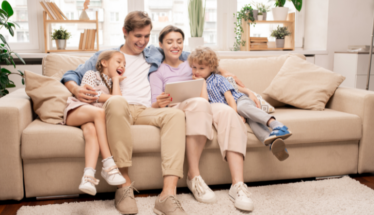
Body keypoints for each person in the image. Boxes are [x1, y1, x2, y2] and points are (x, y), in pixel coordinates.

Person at [61, 12, 190, 215]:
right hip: (118, 108)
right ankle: (124, 187)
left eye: (147, 36)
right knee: (117, 101)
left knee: (176, 115)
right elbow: (71, 74)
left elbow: (189, 56)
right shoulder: (107, 55)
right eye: (138, 36)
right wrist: (75, 89)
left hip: (145, 109)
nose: (143, 41)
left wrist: (222, 71)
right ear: (125, 32)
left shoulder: (154, 53)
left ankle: (168, 194)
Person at [149, 25, 259, 212]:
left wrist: (243, 88)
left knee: (227, 112)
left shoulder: (190, 61)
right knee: (199, 104)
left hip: (204, 102)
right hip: (178, 106)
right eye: (169, 42)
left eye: (179, 41)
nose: (175, 45)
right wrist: (160, 101)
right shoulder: (157, 72)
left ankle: (238, 185)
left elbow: (213, 67)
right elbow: (153, 105)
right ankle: (194, 176)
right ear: (161, 44)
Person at [189, 47, 292, 162]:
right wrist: (201, 83)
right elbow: (204, 102)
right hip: (230, 109)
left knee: (242, 107)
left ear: (211, 68)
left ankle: (276, 125)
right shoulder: (196, 83)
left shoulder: (218, 79)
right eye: (194, 67)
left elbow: (229, 98)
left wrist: (235, 114)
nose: (197, 71)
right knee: (253, 122)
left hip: (239, 101)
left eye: (201, 68)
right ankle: (273, 143)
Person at [64, 50, 127, 196]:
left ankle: (88, 178)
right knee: (100, 112)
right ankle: (109, 165)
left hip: (92, 118)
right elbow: (91, 96)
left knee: (91, 132)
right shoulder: (92, 74)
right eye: (118, 61)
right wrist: (112, 95)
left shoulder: (113, 83)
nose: (122, 66)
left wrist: (116, 80)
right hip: (78, 110)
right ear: (104, 63)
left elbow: (117, 101)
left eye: (124, 64)